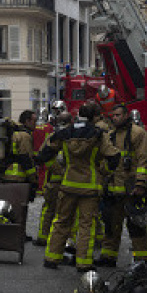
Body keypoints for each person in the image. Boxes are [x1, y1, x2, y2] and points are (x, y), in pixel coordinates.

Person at [37, 102, 121, 272]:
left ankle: (51, 258)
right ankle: (83, 263)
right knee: (86, 225)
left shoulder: (65, 133)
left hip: (68, 184)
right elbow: (114, 156)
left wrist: (59, 170)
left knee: (61, 221)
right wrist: (103, 171)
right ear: (94, 117)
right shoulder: (98, 134)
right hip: (90, 186)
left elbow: (44, 154)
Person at [96, 104, 147, 267]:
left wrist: (140, 183)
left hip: (132, 189)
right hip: (113, 189)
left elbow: (143, 160)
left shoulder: (138, 133)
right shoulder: (109, 135)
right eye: (113, 115)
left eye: (118, 115)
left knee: (136, 226)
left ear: (126, 115)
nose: (115, 118)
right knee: (110, 225)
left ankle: (141, 259)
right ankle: (108, 256)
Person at [34, 111, 72, 247]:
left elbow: (42, 155)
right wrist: (61, 171)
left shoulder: (52, 136)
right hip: (68, 181)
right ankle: (64, 240)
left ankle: (43, 237)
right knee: (66, 212)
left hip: (54, 181)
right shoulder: (74, 137)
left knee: (49, 209)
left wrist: (55, 169)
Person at [1, 110, 38, 202]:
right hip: (18, 177)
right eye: (34, 121)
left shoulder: (14, 132)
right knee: (18, 205)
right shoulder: (24, 136)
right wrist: (33, 179)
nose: (36, 124)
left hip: (7, 175)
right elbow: (25, 158)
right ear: (27, 121)